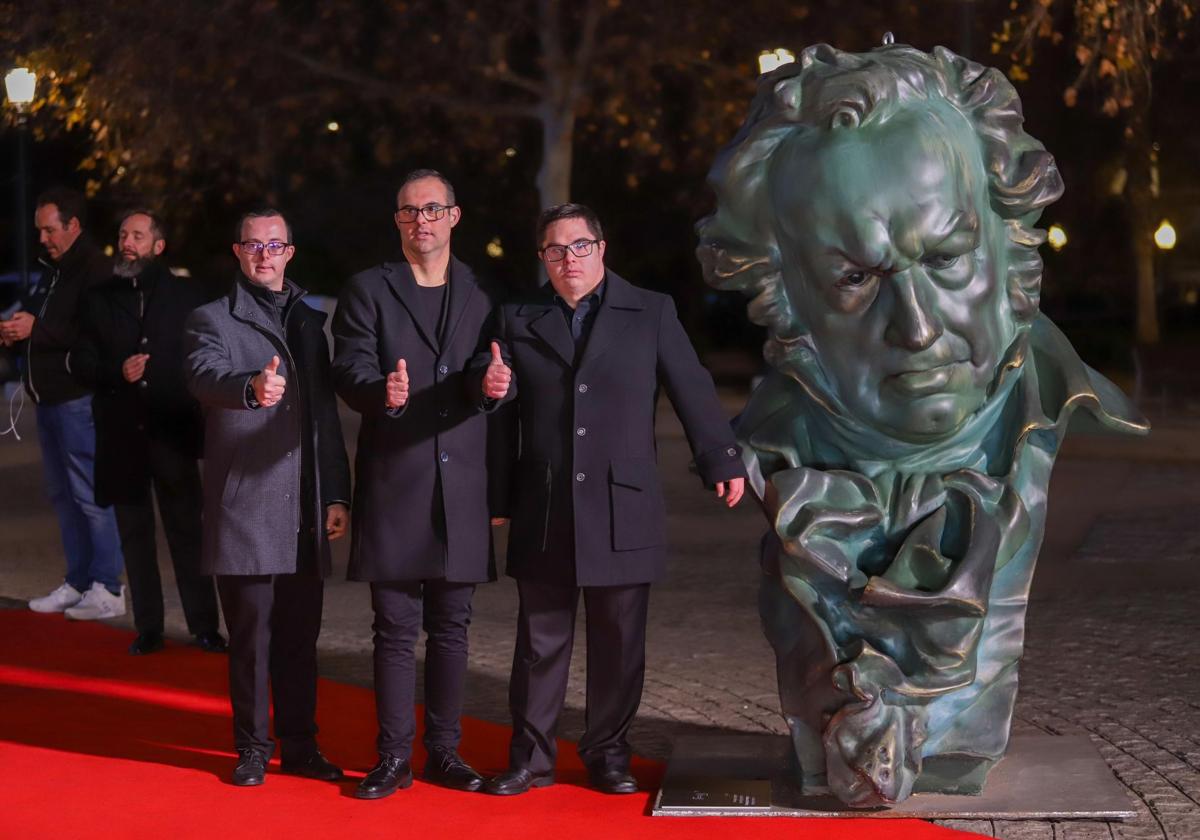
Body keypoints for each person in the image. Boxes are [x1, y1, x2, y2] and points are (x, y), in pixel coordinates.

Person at [695, 42, 1147, 806]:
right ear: (783, 293)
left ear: (1011, 244)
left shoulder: (1043, 407)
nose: (917, 328)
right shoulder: (766, 456)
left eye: (946, 257)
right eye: (855, 277)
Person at [475, 203, 746, 796]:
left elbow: (691, 383)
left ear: (601, 249)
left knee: (619, 643)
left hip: (625, 503)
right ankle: (530, 759)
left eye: (578, 247)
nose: (567, 260)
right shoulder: (516, 316)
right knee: (539, 643)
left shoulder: (650, 311)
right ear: (542, 258)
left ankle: (608, 755)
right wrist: (490, 391)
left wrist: (720, 458)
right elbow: (498, 406)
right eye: (554, 250)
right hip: (544, 503)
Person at [332, 170, 505, 799]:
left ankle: (445, 753)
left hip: (462, 485)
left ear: (454, 217)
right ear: (397, 221)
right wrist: (384, 393)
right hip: (396, 479)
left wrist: (487, 385)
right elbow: (348, 368)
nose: (421, 221)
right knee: (395, 627)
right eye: (408, 212)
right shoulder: (367, 290)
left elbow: (487, 365)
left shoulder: (483, 293)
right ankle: (392, 758)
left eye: (432, 209)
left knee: (454, 626)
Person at [183, 208, 351, 787]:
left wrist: (336, 494)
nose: (263, 254)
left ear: (289, 252)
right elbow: (204, 376)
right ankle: (253, 747)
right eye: (252, 246)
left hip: (305, 503)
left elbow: (325, 415)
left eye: (273, 245)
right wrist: (250, 390)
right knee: (251, 639)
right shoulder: (211, 318)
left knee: (301, 638)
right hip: (246, 503)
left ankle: (302, 746)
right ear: (237, 252)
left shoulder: (310, 319)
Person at [73, 208, 225, 655]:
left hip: (173, 432)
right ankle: (149, 627)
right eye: (122, 234)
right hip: (122, 435)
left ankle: (204, 626)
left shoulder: (187, 297)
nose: (127, 242)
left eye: (137, 235)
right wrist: (115, 371)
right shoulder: (98, 298)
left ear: (158, 246)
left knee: (187, 533)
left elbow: (205, 360)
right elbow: (81, 362)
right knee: (135, 536)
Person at [2, 187, 126, 620]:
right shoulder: (52, 270)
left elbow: (96, 332)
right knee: (62, 495)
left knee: (90, 496)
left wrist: (37, 328)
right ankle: (78, 581)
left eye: (49, 230)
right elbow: (44, 321)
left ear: (73, 226)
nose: (43, 239)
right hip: (50, 400)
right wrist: (16, 329)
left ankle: (108, 586)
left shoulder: (96, 270)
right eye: (39, 230)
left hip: (78, 400)